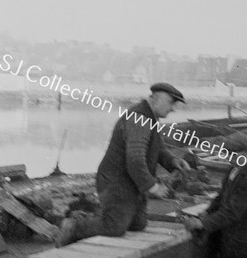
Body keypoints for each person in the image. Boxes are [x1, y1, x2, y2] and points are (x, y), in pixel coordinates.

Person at [54, 82, 190, 247]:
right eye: (171, 102)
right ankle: (74, 226)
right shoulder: (140, 119)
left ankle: (94, 217)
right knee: (115, 227)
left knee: (137, 224)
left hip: (131, 182)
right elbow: (135, 159)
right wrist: (153, 187)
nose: (173, 108)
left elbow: (159, 148)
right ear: (154, 99)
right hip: (115, 181)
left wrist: (173, 162)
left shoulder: (150, 118)